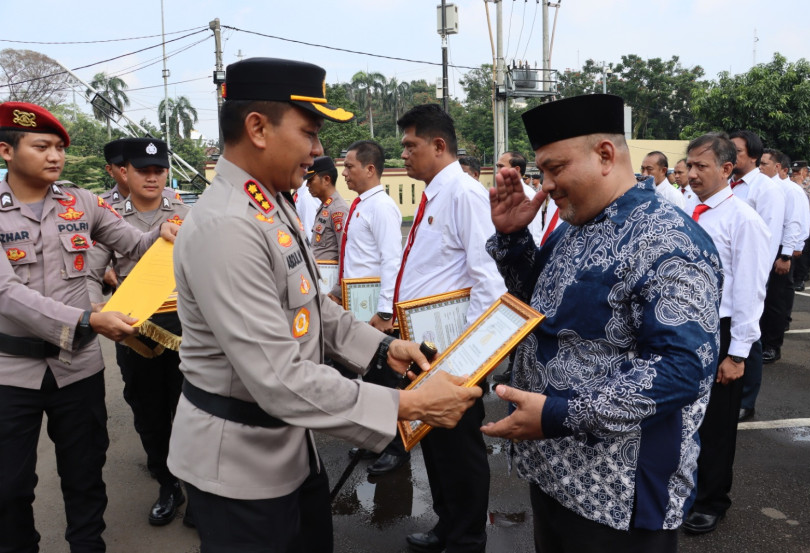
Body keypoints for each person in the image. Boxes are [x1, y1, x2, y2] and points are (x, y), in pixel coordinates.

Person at [165, 58, 481, 553]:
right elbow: (280, 379)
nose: (318, 151)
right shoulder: (228, 226)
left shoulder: (269, 203)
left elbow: (313, 307)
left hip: (289, 447)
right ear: (257, 128)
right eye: (310, 133)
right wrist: (409, 405)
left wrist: (383, 349)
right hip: (242, 471)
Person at [482, 94, 723, 553]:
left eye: (555, 168)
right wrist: (513, 239)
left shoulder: (669, 240)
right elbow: (540, 306)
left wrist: (558, 415)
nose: (545, 185)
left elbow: (681, 370)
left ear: (606, 155)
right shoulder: (574, 225)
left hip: (617, 495)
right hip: (553, 470)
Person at [0, 101, 179, 552]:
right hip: (11, 371)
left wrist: (161, 236)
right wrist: (88, 319)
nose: (55, 156)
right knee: (9, 487)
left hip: (77, 366)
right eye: (42, 146)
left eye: (60, 147)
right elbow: (6, 294)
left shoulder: (81, 202)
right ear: (6, 151)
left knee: (84, 475)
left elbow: (134, 242)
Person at [395, 104, 506, 553]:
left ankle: (467, 538)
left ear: (439, 145)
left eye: (410, 145)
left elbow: (488, 281)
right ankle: (447, 524)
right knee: (435, 442)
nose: (403, 154)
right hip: (428, 346)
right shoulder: (434, 195)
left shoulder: (464, 194)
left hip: (454, 352)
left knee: (460, 450)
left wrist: (468, 359)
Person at [87, 138, 192, 527]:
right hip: (134, 332)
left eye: (158, 170)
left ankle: (198, 492)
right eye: (143, 170)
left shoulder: (186, 213)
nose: (152, 178)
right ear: (124, 172)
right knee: (149, 414)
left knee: (192, 412)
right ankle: (167, 485)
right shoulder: (109, 217)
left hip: (186, 331)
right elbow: (90, 272)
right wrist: (94, 311)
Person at [681, 132, 769, 535]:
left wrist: (737, 354)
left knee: (715, 424)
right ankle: (682, 490)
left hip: (721, 329)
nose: (692, 174)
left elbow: (750, 290)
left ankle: (711, 500)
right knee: (681, 416)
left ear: (726, 168)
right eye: (690, 165)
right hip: (683, 327)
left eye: (701, 166)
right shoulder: (688, 209)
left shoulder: (743, 220)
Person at [333, 139, 406, 475]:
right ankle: (375, 439)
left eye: (349, 166)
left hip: (376, 311)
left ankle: (396, 448)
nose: (344, 173)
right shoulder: (362, 204)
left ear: (370, 169)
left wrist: (386, 311)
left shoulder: (382, 207)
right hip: (358, 306)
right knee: (367, 377)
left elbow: (391, 260)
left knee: (384, 379)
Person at [728, 130, 785, 423]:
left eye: (736, 151)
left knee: (749, 334)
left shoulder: (765, 189)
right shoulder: (728, 184)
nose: (729, 155)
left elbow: (769, 238)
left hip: (749, 272)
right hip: (726, 273)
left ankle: (747, 400)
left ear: (753, 155)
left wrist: (757, 278)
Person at [757, 149, 809, 364]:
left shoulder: (790, 190)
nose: (760, 168)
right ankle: (759, 340)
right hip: (762, 248)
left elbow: (795, 223)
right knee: (761, 298)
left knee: (776, 300)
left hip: (780, 251)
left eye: (764, 164)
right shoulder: (761, 187)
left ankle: (772, 346)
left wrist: (787, 254)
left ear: (777, 167)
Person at [304, 155, 347, 261]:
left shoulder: (338, 209)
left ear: (326, 179)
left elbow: (344, 252)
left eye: (310, 180)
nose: (307, 185)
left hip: (330, 271)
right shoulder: (325, 207)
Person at [497, 151, 544, 244]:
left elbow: (534, 233)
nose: (498, 171)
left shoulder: (528, 195)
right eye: (497, 166)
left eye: (501, 166)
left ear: (516, 170)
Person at [791, 160, 810, 291]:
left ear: (805, 172)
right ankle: (793, 276)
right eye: (793, 171)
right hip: (792, 222)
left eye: (797, 171)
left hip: (805, 223)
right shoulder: (788, 182)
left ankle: (800, 279)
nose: (795, 174)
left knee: (803, 253)